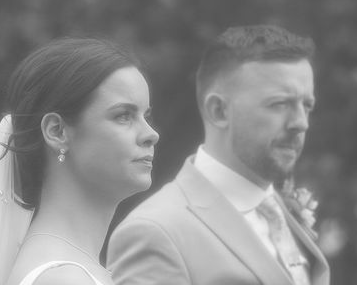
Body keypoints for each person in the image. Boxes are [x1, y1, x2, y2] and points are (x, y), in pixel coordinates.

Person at [107, 25, 330, 285]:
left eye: (307, 105)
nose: (301, 123)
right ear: (218, 111)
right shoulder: (155, 232)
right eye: (280, 104)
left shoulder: (283, 214)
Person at [0, 37, 160, 285]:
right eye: (123, 116)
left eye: (146, 116)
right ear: (57, 131)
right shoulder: (62, 279)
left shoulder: (71, 271)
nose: (151, 134)